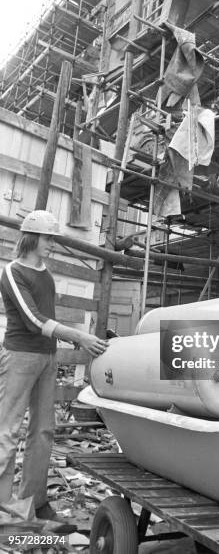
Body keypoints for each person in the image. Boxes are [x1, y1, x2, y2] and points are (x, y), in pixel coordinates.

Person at [0, 210, 108, 523]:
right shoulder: (12, 272)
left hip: (47, 358)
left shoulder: (45, 274)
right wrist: (78, 335)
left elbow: (46, 316)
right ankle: (2, 505)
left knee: (44, 430)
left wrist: (69, 340)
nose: (52, 244)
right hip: (19, 357)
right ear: (32, 237)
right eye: (48, 238)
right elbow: (33, 320)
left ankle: (34, 501)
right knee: (7, 431)